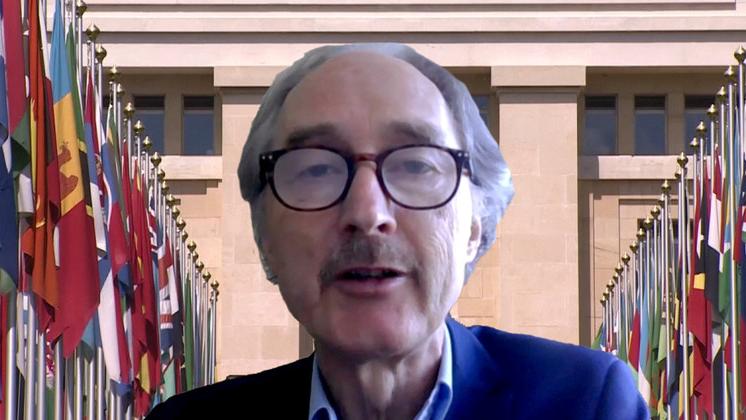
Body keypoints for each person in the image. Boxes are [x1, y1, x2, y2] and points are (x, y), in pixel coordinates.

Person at [147, 43, 648, 420]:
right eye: (317, 169)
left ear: (474, 228)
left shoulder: (586, 402)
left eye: (416, 165)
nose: (367, 213)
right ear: (265, 241)